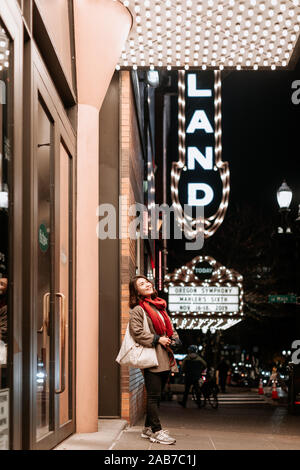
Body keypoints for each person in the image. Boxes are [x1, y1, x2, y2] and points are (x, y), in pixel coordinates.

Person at [129, 275, 180, 445]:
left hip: (165, 355)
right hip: (152, 356)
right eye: (141, 284)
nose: (147, 285)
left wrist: (174, 339)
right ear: (137, 292)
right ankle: (157, 431)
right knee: (152, 396)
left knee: (156, 396)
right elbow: (136, 332)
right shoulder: (139, 309)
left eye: (147, 282)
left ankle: (147, 428)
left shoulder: (160, 306)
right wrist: (158, 339)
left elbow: (170, 328)